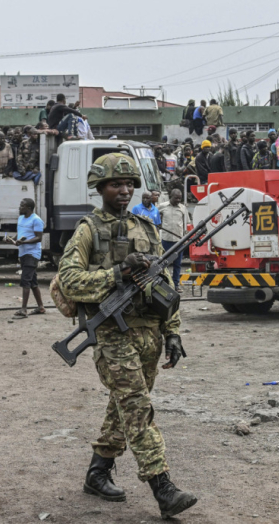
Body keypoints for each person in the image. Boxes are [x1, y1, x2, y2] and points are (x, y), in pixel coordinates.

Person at [57, 153, 196, 519]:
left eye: (129, 184)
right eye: (116, 184)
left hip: (148, 333)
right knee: (136, 408)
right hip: (111, 334)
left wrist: (174, 333)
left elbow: (165, 285)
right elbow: (68, 280)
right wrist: (117, 273)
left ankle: (97, 472)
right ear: (99, 187)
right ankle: (163, 487)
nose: (124, 190)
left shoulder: (146, 227)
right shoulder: (88, 228)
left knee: (123, 407)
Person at [12, 198, 45, 319]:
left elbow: (39, 238)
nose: (20, 207)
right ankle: (41, 307)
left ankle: (24, 309)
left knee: (25, 280)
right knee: (32, 282)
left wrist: (24, 243)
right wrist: (13, 239)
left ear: (29, 208)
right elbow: (20, 233)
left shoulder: (36, 220)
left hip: (32, 254)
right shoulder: (21, 218)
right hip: (23, 253)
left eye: (22, 206)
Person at [158, 189, 188, 293]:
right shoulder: (162, 206)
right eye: (176, 198)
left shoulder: (183, 208)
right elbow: (156, 217)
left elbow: (186, 224)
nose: (178, 200)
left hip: (178, 241)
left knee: (177, 264)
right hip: (166, 239)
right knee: (163, 263)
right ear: (171, 196)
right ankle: (163, 284)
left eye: (180, 198)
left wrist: (185, 238)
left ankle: (176, 285)